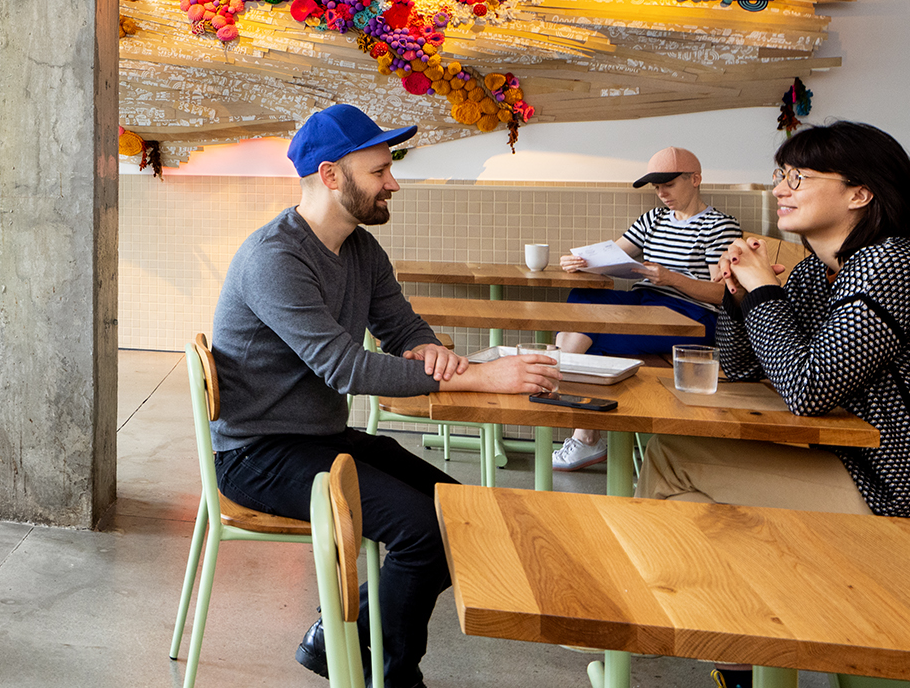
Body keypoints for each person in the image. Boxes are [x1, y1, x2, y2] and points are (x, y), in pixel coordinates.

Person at [210, 104, 558, 688]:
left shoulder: (360, 249)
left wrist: (432, 352)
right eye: (378, 172)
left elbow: (401, 328)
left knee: (459, 513)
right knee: (423, 532)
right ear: (329, 175)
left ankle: (335, 639)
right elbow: (344, 368)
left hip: (319, 438)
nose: (392, 181)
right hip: (257, 455)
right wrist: (475, 375)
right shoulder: (276, 258)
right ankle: (393, 678)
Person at [637, 121, 910, 518]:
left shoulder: (891, 263)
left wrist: (765, 290)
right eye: (781, 175)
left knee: (671, 457)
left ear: (860, 193)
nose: (780, 189)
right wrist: (740, 296)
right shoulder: (814, 272)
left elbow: (807, 389)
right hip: (849, 462)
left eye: (798, 178)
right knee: (688, 505)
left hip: (889, 485)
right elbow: (741, 367)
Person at [549, 146, 741, 471]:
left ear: (695, 179)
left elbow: (722, 294)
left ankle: (580, 426)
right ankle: (582, 431)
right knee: (581, 300)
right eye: (656, 186)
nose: (662, 193)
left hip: (690, 317)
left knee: (582, 335)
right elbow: (614, 255)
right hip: (644, 305)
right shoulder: (652, 219)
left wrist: (671, 278)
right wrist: (581, 262)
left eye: (669, 183)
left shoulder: (719, 226)